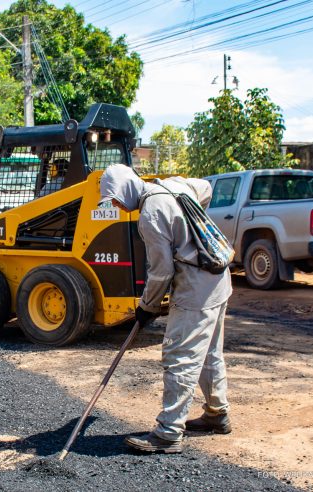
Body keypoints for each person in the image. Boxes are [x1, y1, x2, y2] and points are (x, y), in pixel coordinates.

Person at [98, 164, 233, 454]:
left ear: (127, 188)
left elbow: (161, 272)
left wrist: (146, 307)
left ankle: (169, 433)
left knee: (179, 356)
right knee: (208, 351)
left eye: (117, 199)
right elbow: (206, 188)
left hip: (196, 289)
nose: (119, 207)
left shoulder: (150, 214)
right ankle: (217, 414)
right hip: (218, 277)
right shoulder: (175, 185)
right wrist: (190, 225)